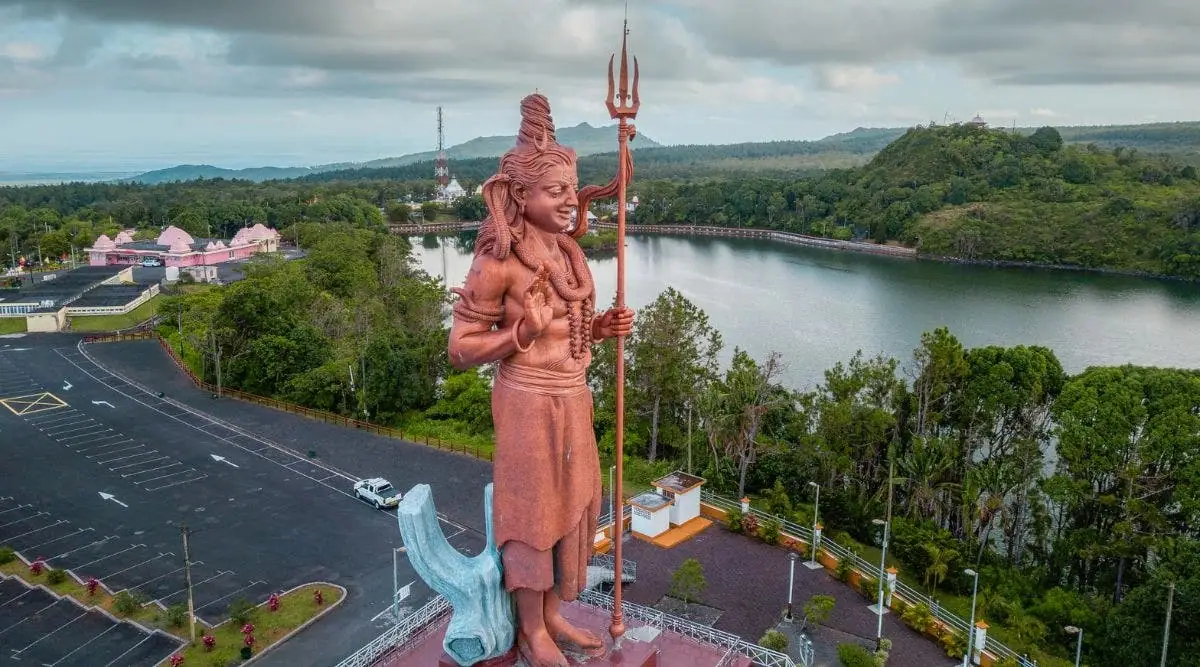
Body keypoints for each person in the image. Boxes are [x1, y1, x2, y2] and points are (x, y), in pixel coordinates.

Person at [447, 93, 634, 667]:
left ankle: (553, 614)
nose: (569, 200)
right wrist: (518, 334)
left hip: (573, 394)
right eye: (554, 191)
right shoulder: (497, 261)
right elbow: (460, 349)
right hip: (527, 399)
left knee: (572, 507)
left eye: (570, 188)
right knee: (532, 513)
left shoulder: (569, 254)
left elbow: (568, 328)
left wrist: (599, 328)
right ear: (519, 196)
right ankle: (531, 628)